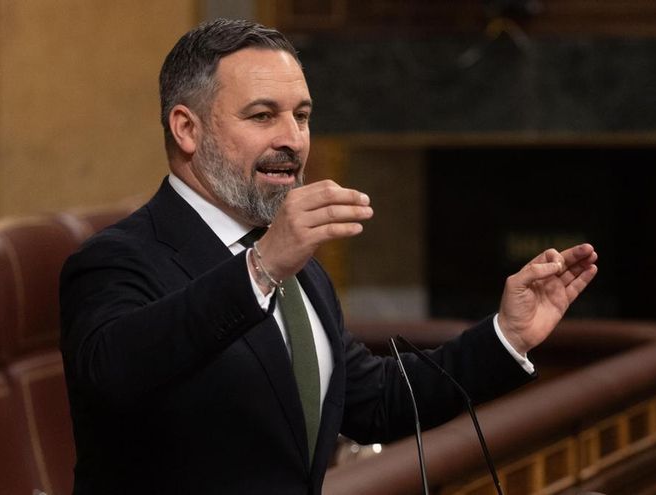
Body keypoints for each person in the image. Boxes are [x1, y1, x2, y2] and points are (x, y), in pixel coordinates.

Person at [59, 19, 598, 495]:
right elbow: (116, 373)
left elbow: (377, 402)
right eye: (264, 116)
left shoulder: (297, 267)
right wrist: (261, 269)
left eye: (303, 115)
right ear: (187, 129)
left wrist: (508, 334)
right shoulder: (117, 260)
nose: (293, 140)